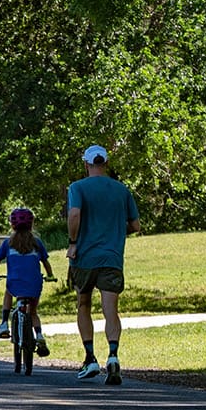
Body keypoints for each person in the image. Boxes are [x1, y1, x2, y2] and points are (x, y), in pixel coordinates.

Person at [66, 144, 141, 384]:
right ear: (106, 163)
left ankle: (90, 358)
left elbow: (74, 214)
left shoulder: (77, 187)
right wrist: (115, 228)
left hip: (84, 257)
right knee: (110, 309)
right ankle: (113, 356)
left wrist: (73, 242)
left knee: (83, 304)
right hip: (112, 257)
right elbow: (135, 225)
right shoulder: (121, 190)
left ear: (86, 164)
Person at [0, 206, 54, 356]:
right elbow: (46, 263)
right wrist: (50, 275)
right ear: (31, 224)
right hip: (34, 284)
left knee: (8, 291)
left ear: (12, 225)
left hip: (15, 282)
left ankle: (4, 323)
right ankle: (39, 335)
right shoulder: (37, 243)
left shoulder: (8, 243)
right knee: (33, 312)